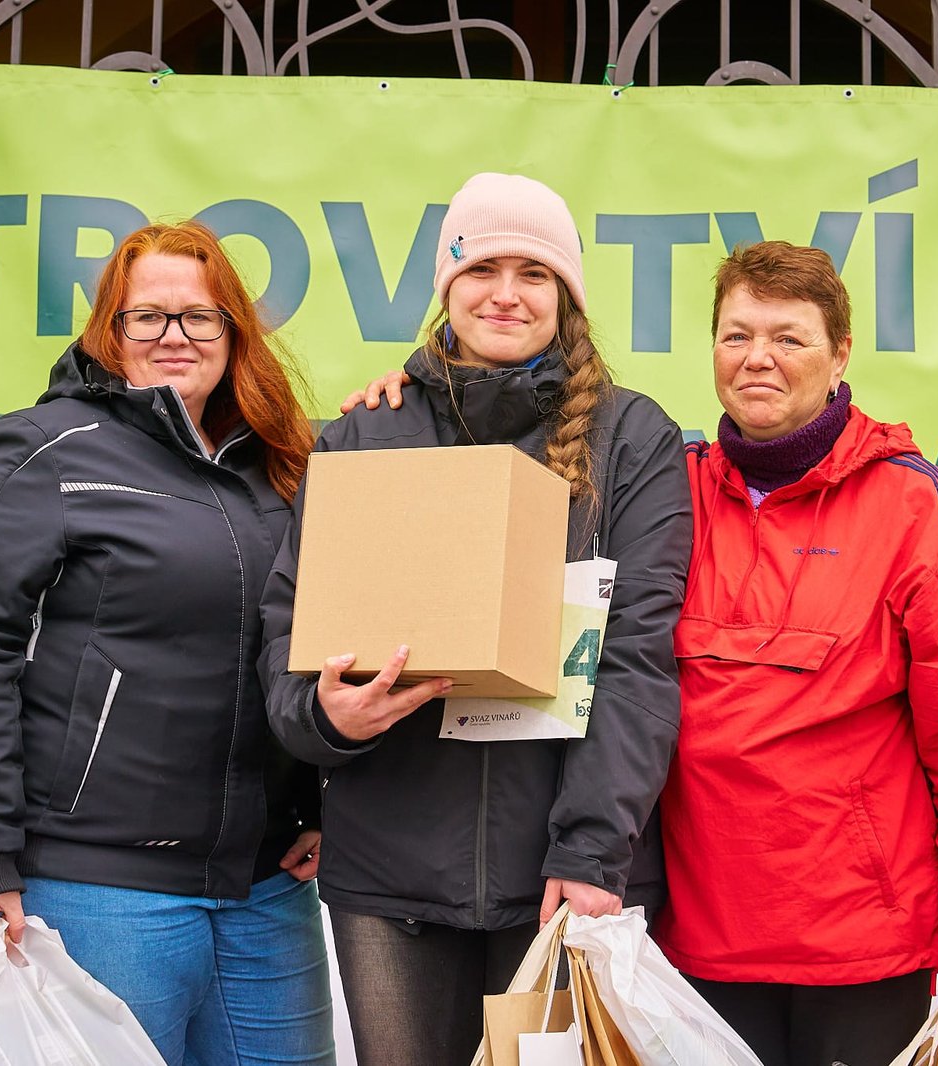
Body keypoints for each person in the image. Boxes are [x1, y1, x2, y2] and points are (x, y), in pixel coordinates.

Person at [259, 172, 691, 1066]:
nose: (505, 294)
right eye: (481, 269)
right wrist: (323, 718)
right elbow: (287, 634)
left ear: (566, 295)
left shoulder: (631, 439)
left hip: (563, 878)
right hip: (389, 880)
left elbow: (636, 661)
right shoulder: (363, 435)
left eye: (533, 273)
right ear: (446, 287)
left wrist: (591, 853)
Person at [0, 221, 335, 1065]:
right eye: (147, 316)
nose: (174, 336)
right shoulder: (42, 449)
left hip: (266, 889)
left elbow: (307, 644)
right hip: (101, 890)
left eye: (200, 316)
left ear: (234, 333)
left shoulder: (281, 464)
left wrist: (322, 807)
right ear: (110, 331)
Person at [655, 240, 938, 1066]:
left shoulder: (913, 504)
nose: (757, 358)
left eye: (788, 338)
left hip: (864, 949)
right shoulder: (668, 490)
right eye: (736, 335)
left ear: (840, 356)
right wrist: (407, 398)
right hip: (693, 941)